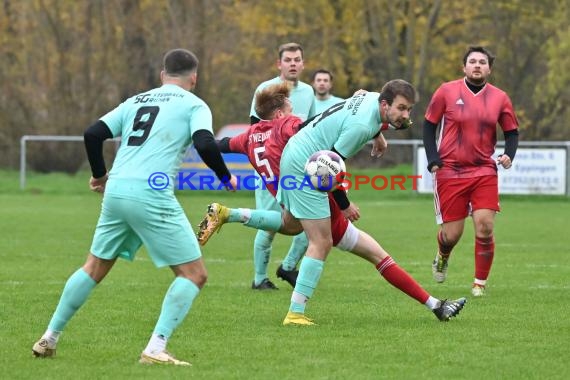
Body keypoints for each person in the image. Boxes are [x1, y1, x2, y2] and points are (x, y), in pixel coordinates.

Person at [198, 81, 467, 325]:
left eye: (409, 110)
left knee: (293, 226)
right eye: (402, 109)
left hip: (297, 162)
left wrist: (379, 135)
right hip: (306, 169)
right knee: (321, 242)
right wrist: (344, 203)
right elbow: (328, 166)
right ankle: (295, 313)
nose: (406, 116)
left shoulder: (372, 98)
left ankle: (435, 305)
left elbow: (359, 99)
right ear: (384, 104)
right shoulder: (361, 126)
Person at [31, 48, 238, 365]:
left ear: (162, 74)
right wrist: (225, 177)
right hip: (151, 193)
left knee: (94, 267)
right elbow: (205, 143)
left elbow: (93, 134)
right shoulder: (195, 104)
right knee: (194, 274)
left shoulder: (136, 101)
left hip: (117, 190)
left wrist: (100, 176)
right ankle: (155, 349)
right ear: (194, 77)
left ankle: (49, 337)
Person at [423, 45, 519, 297]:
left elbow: (511, 131)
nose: (477, 65)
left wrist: (509, 154)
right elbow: (428, 125)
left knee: (485, 226)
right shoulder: (446, 91)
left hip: (483, 171)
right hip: (450, 171)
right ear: (464, 67)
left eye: (482, 62)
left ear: (489, 68)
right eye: (473, 61)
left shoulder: (500, 97)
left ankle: (479, 284)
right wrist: (433, 158)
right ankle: (443, 254)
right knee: (451, 235)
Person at [248, 42, 317, 290]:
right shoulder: (265, 89)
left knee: (308, 220)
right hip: (270, 169)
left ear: (303, 63)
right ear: (279, 64)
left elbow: (308, 127)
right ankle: (259, 279)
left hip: (298, 168)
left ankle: (288, 267)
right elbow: (254, 130)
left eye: (297, 59)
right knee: (269, 226)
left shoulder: (308, 92)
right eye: (288, 60)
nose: (293, 64)